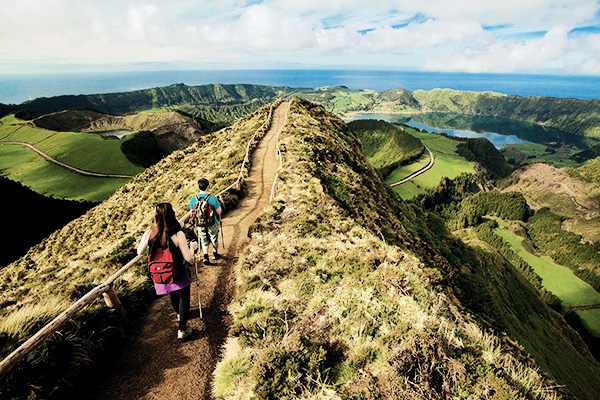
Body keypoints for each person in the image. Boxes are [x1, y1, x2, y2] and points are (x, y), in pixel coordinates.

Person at [137, 203, 198, 340]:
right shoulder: (177, 234)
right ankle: (182, 328)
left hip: (161, 272)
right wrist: (193, 248)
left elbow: (139, 252)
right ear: (172, 214)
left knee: (172, 293)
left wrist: (153, 253)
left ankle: (178, 314)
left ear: (156, 216)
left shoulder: (150, 232)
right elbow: (188, 257)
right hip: (178, 270)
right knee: (184, 296)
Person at [189, 178, 222, 265]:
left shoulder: (194, 199)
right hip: (212, 223)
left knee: (204, 240)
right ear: (208, 186)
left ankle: (206, 256)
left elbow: (192, 211)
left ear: (199, 187)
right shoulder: (212, 198)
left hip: (200, 224)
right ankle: (215, 254)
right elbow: (219, 211)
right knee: (214, 238)